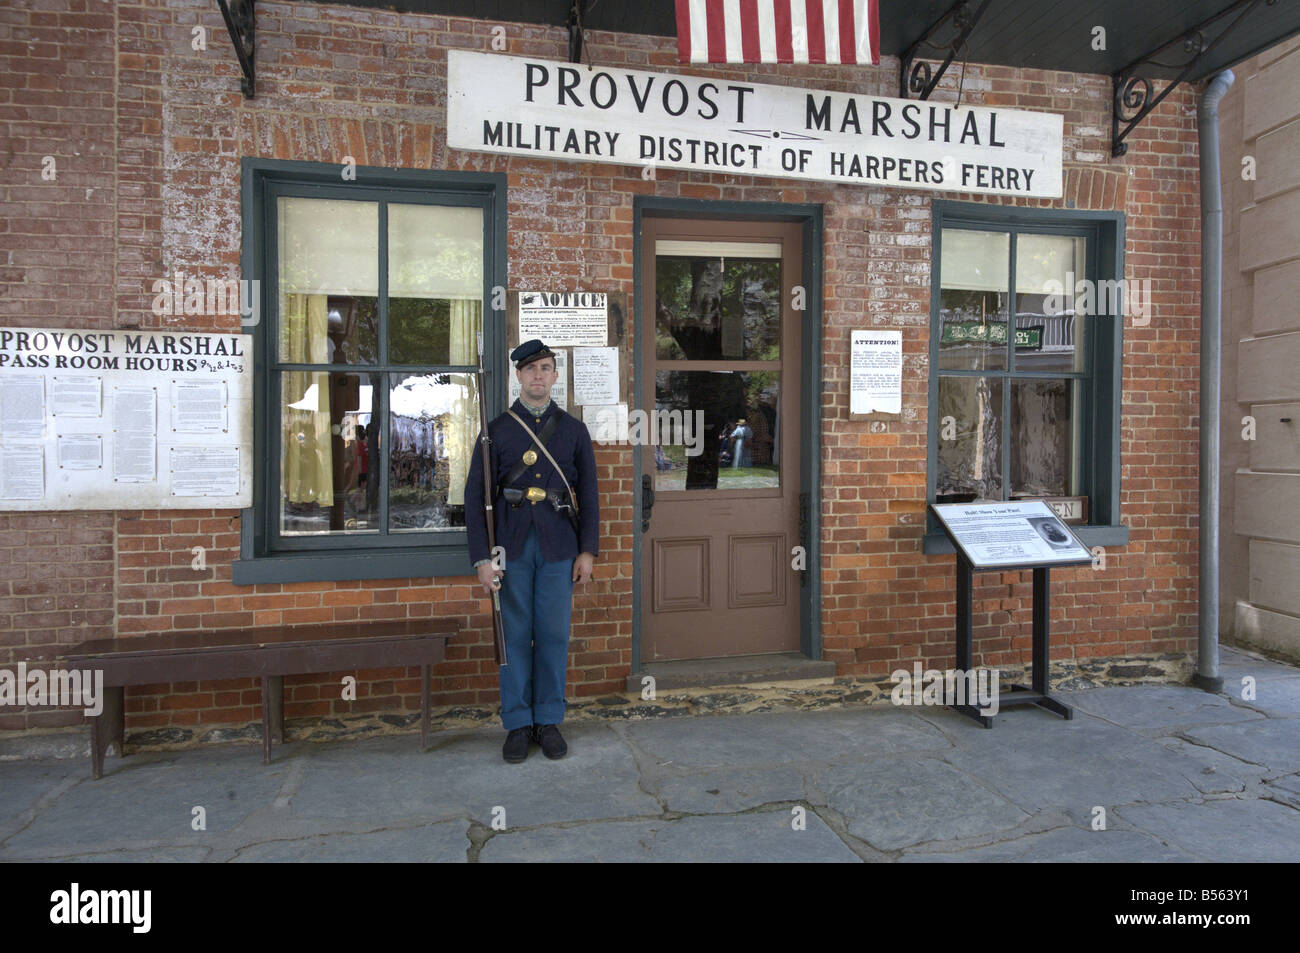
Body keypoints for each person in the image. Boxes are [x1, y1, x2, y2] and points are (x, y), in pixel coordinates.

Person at [464, 340, 599, 763]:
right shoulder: (496, 431)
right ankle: (518, 722)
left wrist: (588, 551)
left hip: (560, 546)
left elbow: (590, 495)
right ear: (518, 377)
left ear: (555, 376)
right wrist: (483, 559)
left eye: (545, 368)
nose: (538, 375)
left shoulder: (573, 430)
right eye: (530, 369)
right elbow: (475, 498)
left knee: (555, 635)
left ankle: (549, 720)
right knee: (514, 635)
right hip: (512, 545)